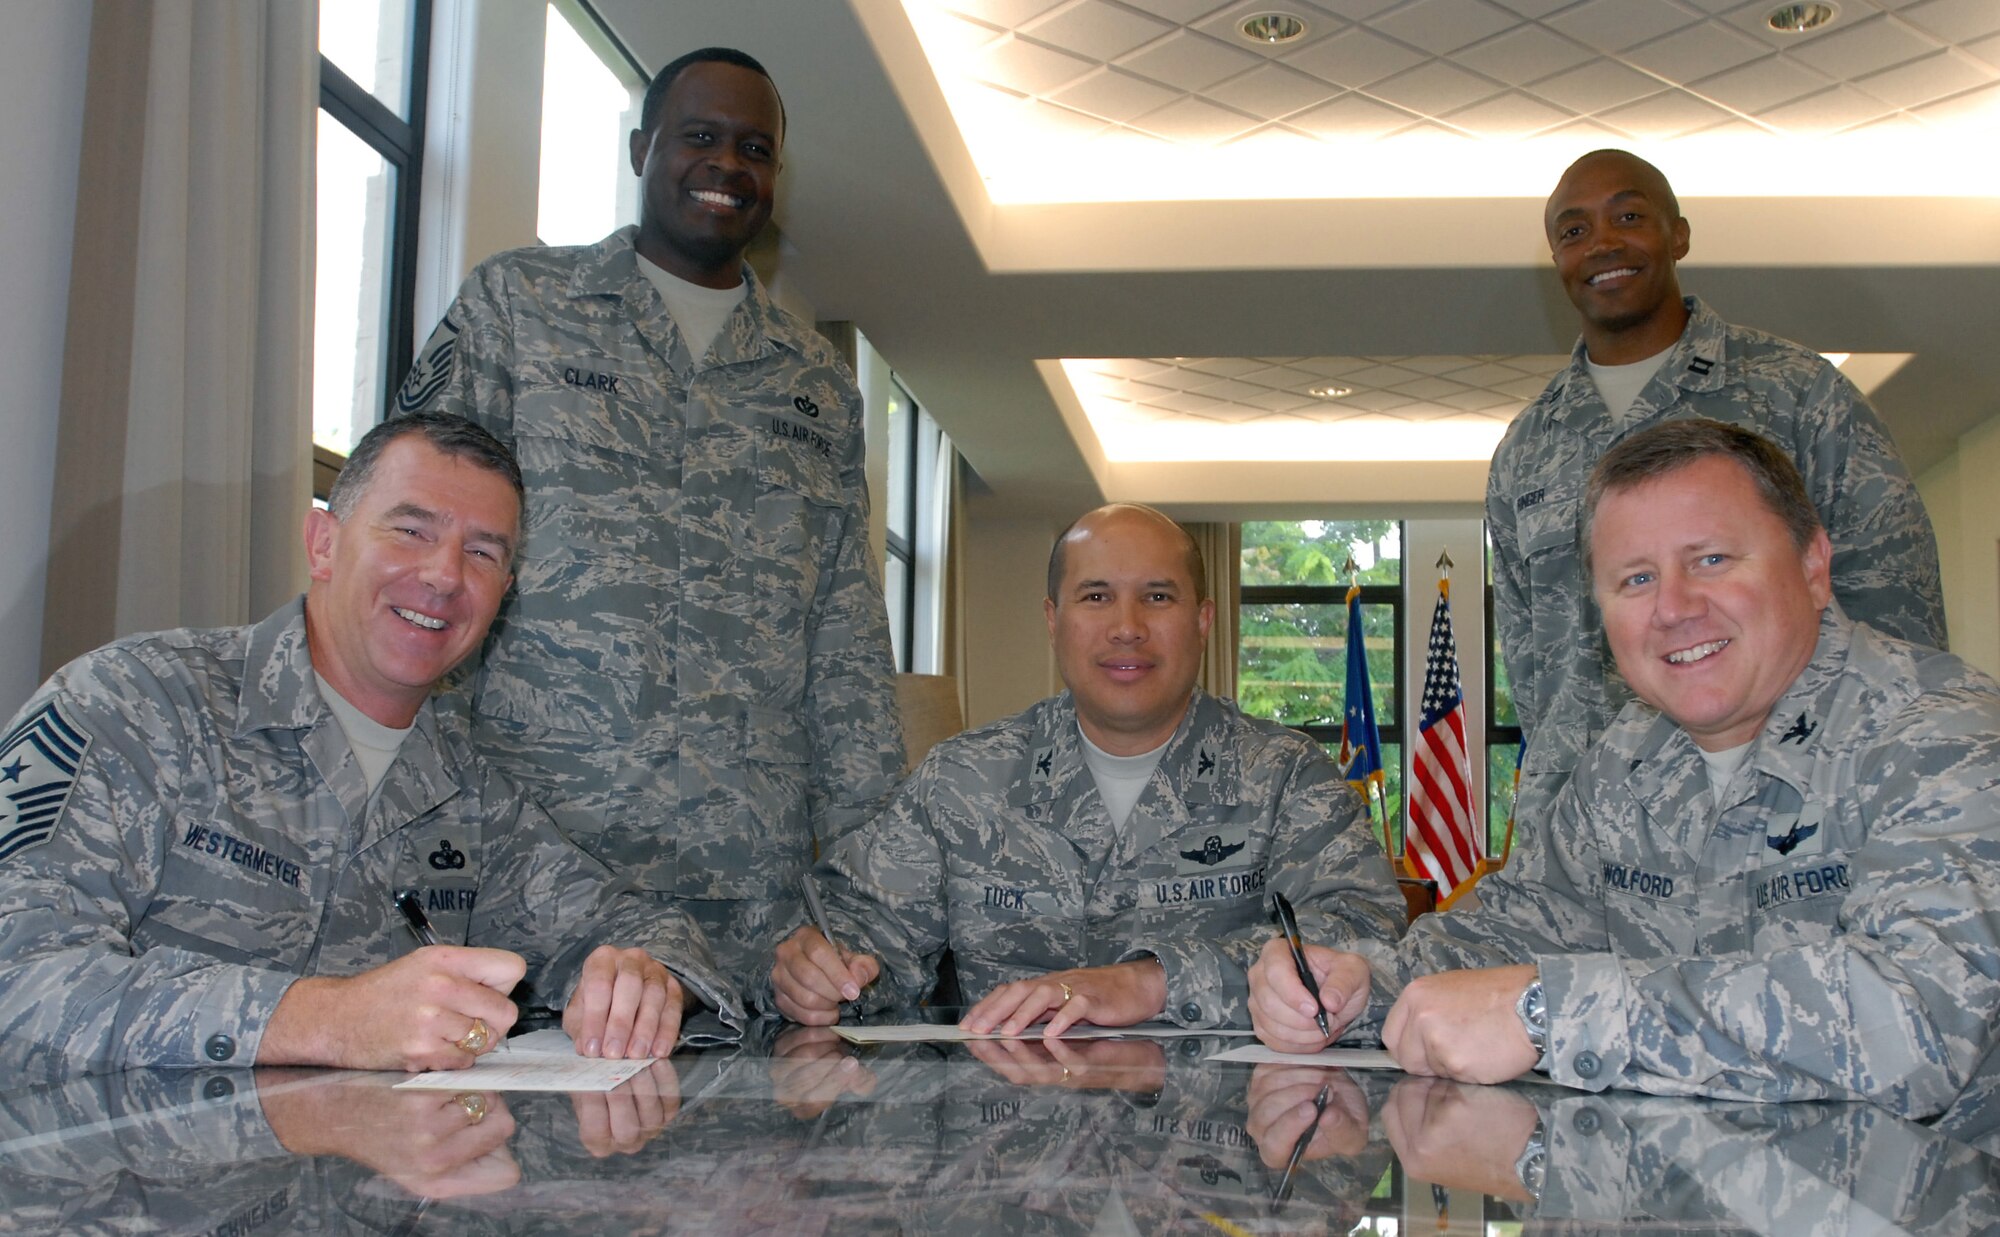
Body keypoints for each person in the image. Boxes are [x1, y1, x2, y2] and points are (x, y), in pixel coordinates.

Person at [1251, 419, 2000, 1119]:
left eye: (1711, 559)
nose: (1674, 607)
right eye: (1635, 579)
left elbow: (1919, 1019)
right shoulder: (1627, 759)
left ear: (1813, 566)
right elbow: (1512, 932)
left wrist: (1552, 1012)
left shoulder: (1940, 734)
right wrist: (1355, 983)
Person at [0, 414, 741, 1074]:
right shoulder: (134, 705)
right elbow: (18, 971)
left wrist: (643, 977)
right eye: (411, 530)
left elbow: (642, 928)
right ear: (324, 542)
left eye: (482, 553)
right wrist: (327, 1018)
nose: (444, 576)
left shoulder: (472, 792)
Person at [393, 47, 904, 985]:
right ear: (642, 149)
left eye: (754, 148)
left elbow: (845, 637)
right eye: (700, 136)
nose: (727, 165)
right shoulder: (518, 309)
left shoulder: (815, 383)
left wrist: (868, 883)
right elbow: (421, 543)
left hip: (752, 883)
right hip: (538, 859)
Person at [772, 504, 1405, 1036]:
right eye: (1096, 597)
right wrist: (827, 970)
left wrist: (1156, 982)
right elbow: (865, 926)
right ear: (1053, 620)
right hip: (1011, 1155)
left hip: (1219, 1147)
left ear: (1203, 621)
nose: (1127, 628)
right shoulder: (964, 780)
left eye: (1157, 597)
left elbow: (1361, 942)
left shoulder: (1288, 778)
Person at [1488, 148, 1945, 837]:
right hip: (1586, 829)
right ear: (1555, 260)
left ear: (1679, 234)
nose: (1603, 243)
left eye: (1629, 216)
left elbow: (1893, 610)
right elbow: (1530, 663)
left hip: (1779, 813)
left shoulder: (1796, 394)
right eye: (1574, 231)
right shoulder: (1526, 448)